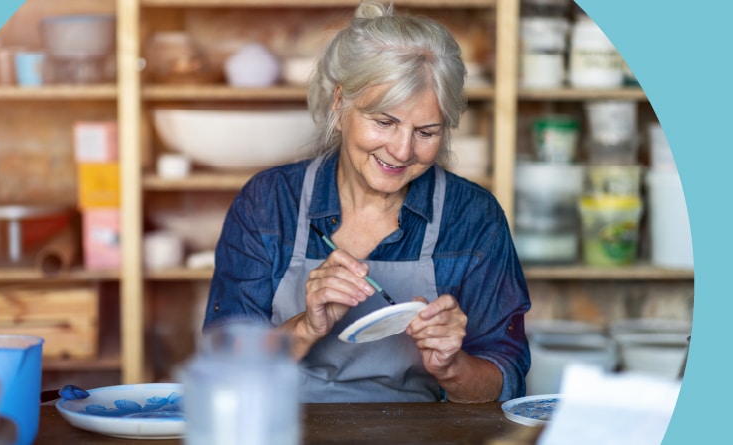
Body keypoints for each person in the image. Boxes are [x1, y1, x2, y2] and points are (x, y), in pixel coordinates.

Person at [203, 0, 531, 403]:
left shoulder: (474, 216)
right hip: (286, 427)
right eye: (384, 122)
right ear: (340, 104)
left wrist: (453, 366)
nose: (402, 150)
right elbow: (225, 369)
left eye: (426, 132)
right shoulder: (269, 204)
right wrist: (307, 327)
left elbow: (504, 381)